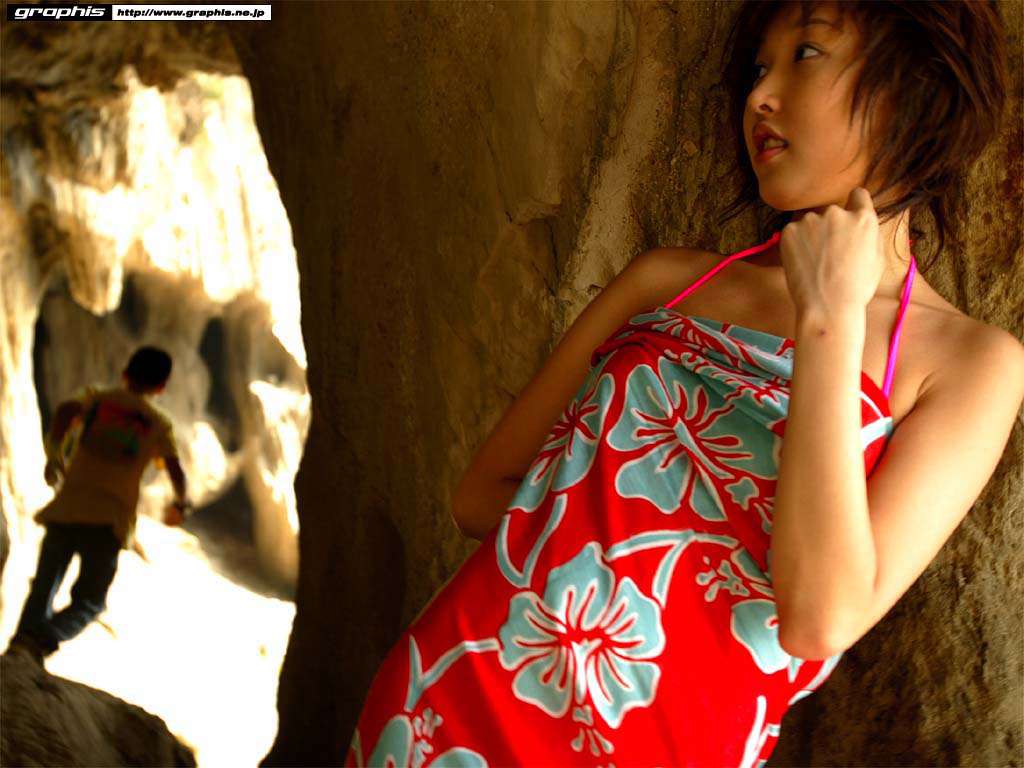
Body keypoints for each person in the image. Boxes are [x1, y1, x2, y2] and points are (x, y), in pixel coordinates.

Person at [345, 1, 1021, 765]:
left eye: (805, 55)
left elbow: (821, 619)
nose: (760, 95)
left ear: (915, 87)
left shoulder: (970, 364)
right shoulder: (666, 282)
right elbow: (481, 494)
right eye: (757, 68)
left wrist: (829, 319)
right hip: (453, 702)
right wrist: (622, 554)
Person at [7, 346, 191, 664]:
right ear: (162, 387)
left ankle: (20, 647)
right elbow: (175, 468)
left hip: (68, 507)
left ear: (125, 373)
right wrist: (181, 504)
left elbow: (66, 410)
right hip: (109, 520)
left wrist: (55, 452)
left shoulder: (97, 398)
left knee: (44, 586)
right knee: (91, 601)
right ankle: (41, 640)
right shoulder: (158, 423)